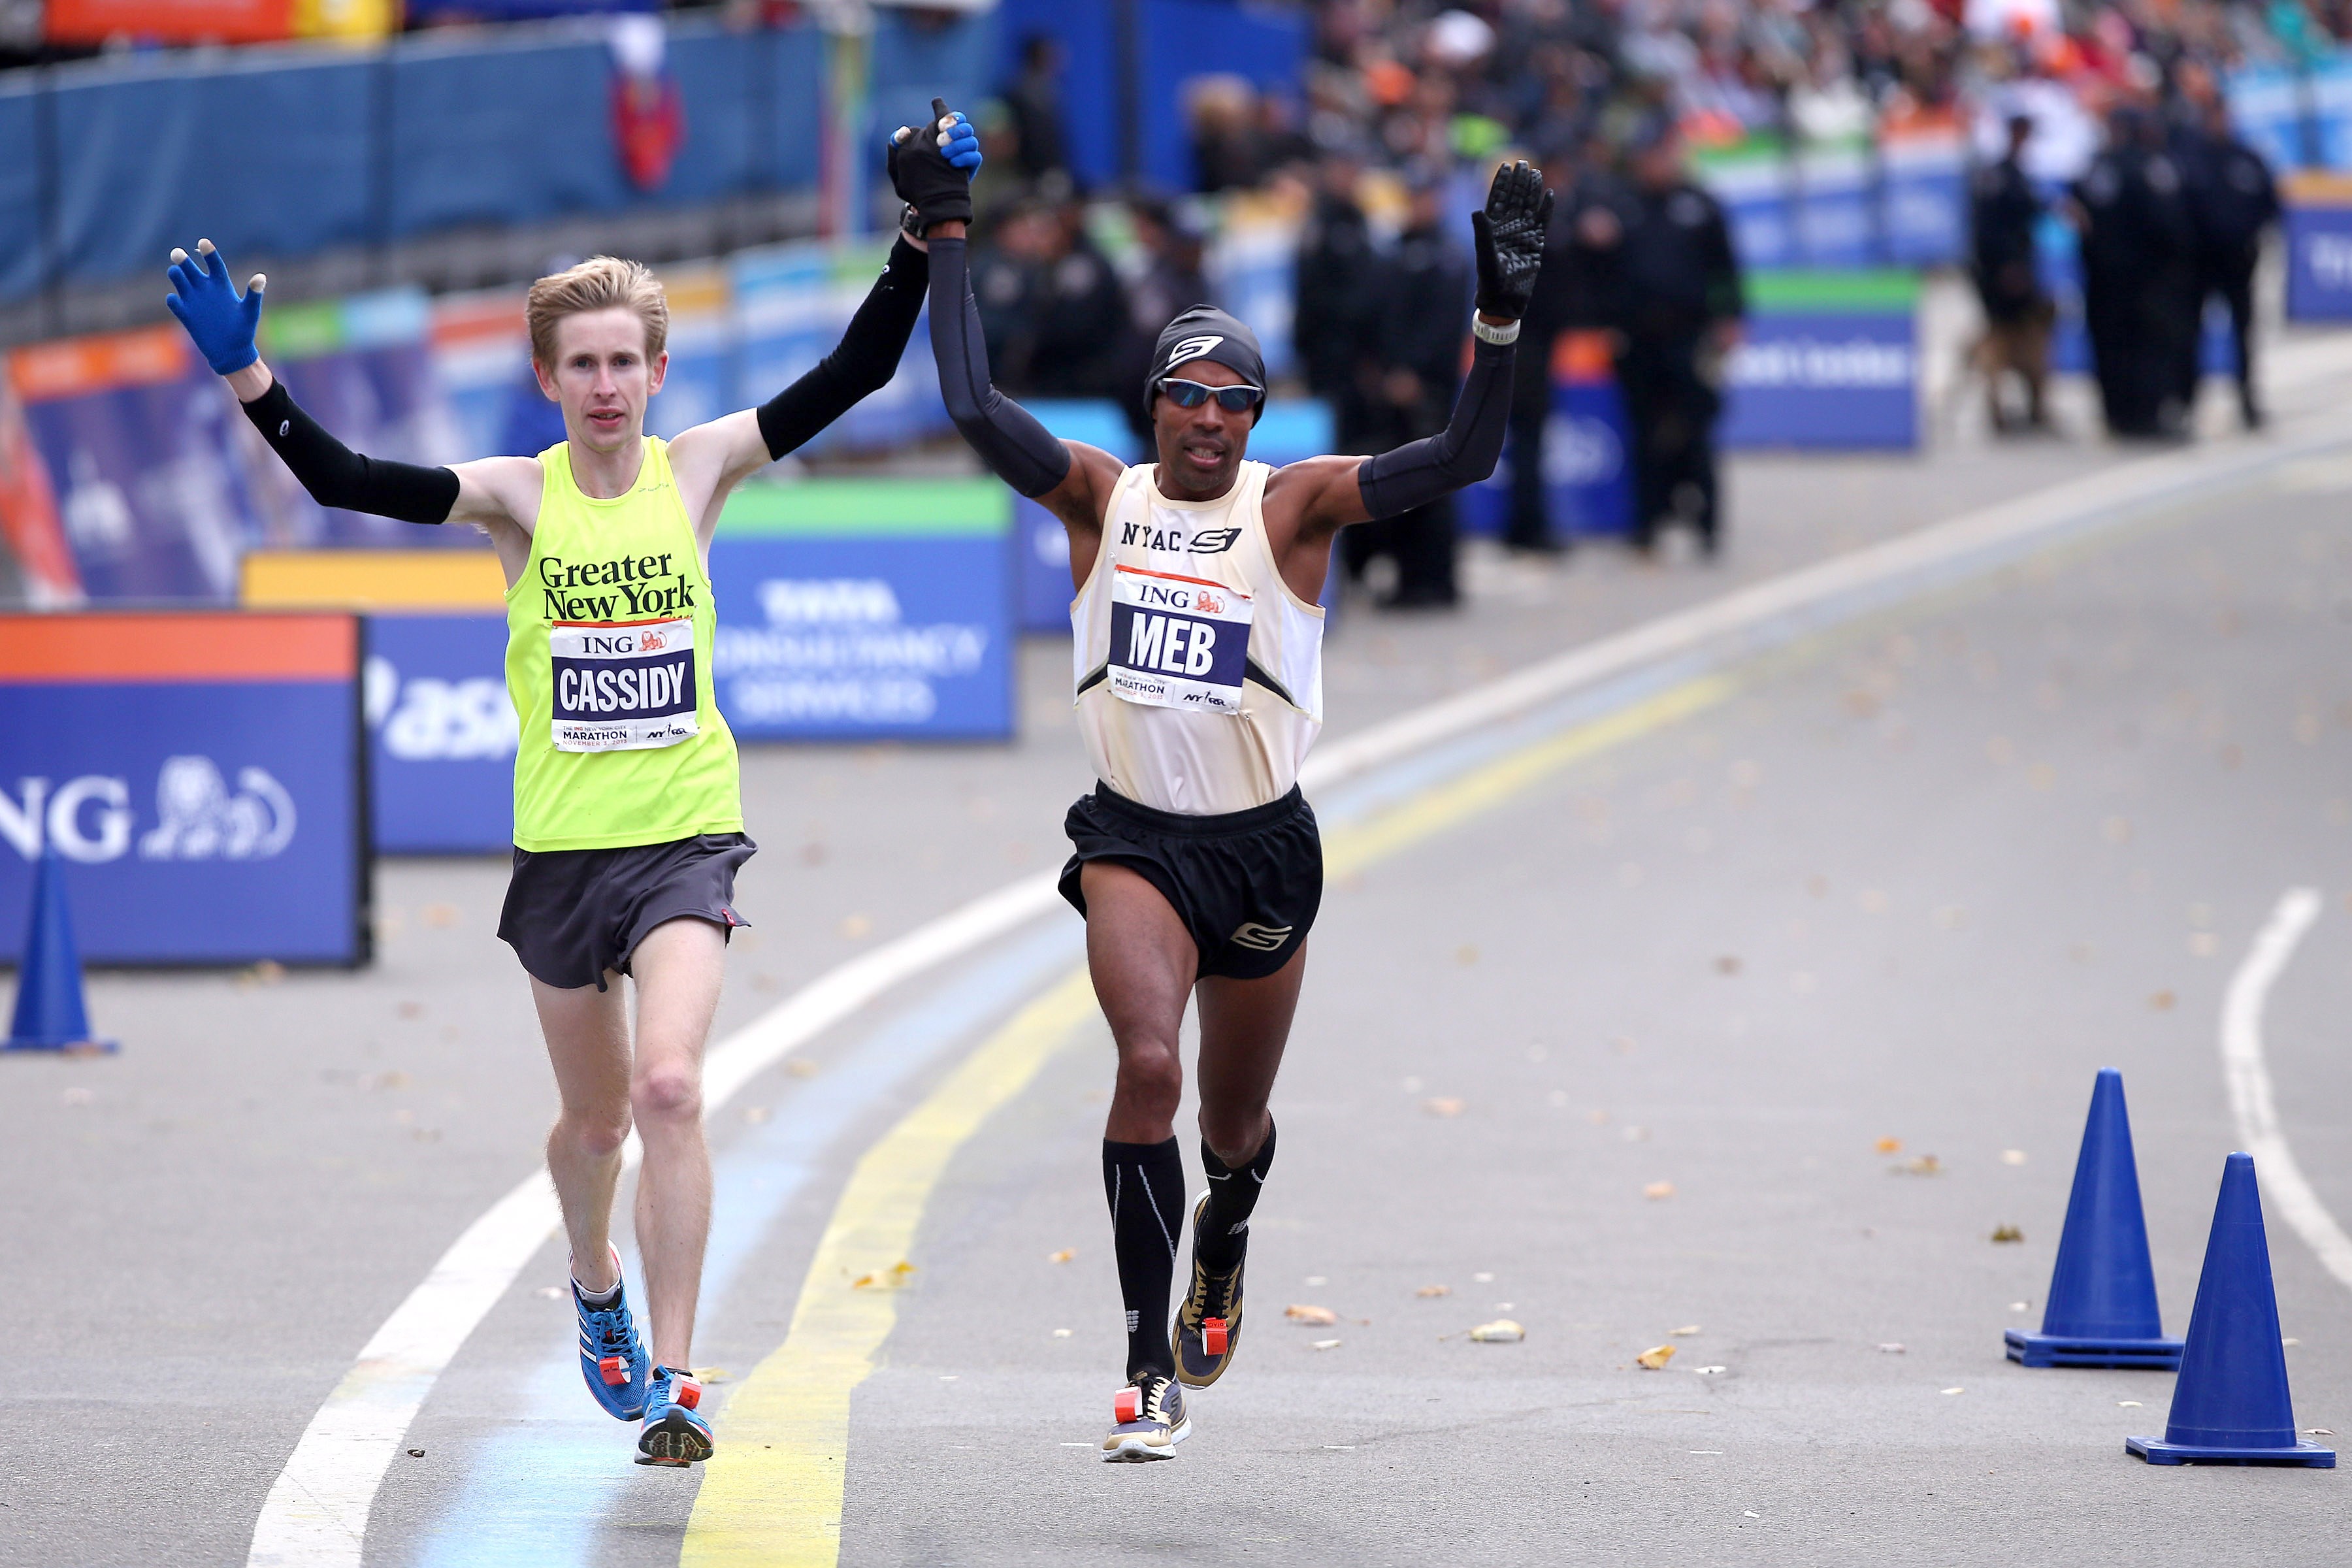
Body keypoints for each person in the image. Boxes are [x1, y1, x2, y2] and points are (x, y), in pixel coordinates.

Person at [155, 117, 978, 1471]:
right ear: (548, 378)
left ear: (660, 372)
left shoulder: (697, 467)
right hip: (562, 856)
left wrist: (918, 235)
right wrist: (250, 373)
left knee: (669, 1087)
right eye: (582, 366)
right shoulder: (516, 500)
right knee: (595, 1124)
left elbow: (857, 370)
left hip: (684, 845)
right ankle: (593, 1277)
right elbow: (347, 479)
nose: (607, 388)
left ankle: (680, 1378)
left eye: (626, 365)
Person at [892, 99, 1548, 1460]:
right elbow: (967, 401)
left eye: (1232, 399)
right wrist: (947, 233)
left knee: (1234, 1125)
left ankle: (1226, 1230)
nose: (1206, 418)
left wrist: (1496, 321)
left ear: (1258, 416)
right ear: (1153, 411)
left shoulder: (1292, 506)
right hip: (1134, 838)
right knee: (1147, 1067)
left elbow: (1465, 457)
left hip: (1264, 851)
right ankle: (1143, 1370)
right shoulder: (1098, 497)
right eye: (1184, 396)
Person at [1586, 122, 1744, 556]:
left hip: (1688, 334)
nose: (1654, 165)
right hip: (1637, 336)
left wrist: (1731, 319)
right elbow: (1601, 275)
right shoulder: (1622, 207)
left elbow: (1726, 267)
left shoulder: (1700, 204)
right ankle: (1647, 523)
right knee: (1642, 433)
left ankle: (1707, 524)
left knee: (1696, 429)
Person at [1347, 172, 1474, 606]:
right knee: (1399, 484)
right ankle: (1407, 579)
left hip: (1428, 389)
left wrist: (1414, 374)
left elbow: (1444, 326)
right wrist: (1379, 371)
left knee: (1433, 484)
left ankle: (1436, 580)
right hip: (1390, 388)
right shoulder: (1394, 252)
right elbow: (1372, 316)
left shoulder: (1447, 254)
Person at [2072, 106, 2197, 440]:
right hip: (2143, 279)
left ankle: (2120, 413)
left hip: (2107, 279)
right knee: (2146, 348)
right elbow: (2166, 223)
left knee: (2116, 348)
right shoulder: (2145, 167)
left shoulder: (2096, 167)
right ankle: (2143, 414)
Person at [2183, 97, 2278, 429]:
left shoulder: (2247, 159)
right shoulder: (2191, 160)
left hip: (2240, 262)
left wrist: (2253, 238)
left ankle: (2248, 401)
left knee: (2244, 332)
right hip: (2202, 262)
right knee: (2192, 331)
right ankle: (2188, 400)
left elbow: (2270, 204)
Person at [1969, 114, 2055, 434]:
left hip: (2020, 270)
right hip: (2000, 276)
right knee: (1999, 344)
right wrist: (2007, 267)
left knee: (2032, 341)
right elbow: (1989, 230)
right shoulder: (1997, 176)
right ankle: (1997, 411)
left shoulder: (2019, 173)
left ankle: (2035, 408)